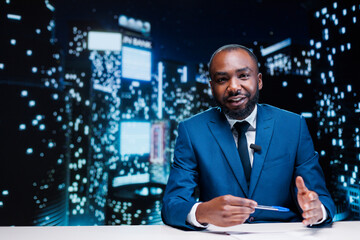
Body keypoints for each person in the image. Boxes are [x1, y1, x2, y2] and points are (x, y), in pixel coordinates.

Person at [161, 44, 335, 230]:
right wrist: (203, 212)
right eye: (222, 79)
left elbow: (322, 199)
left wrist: (317, 210)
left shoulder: (294, 126)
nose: (234, 87)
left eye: (243, 76)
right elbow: (172, 205)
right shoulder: (192, 131)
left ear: (259, 80)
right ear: (211, 86)